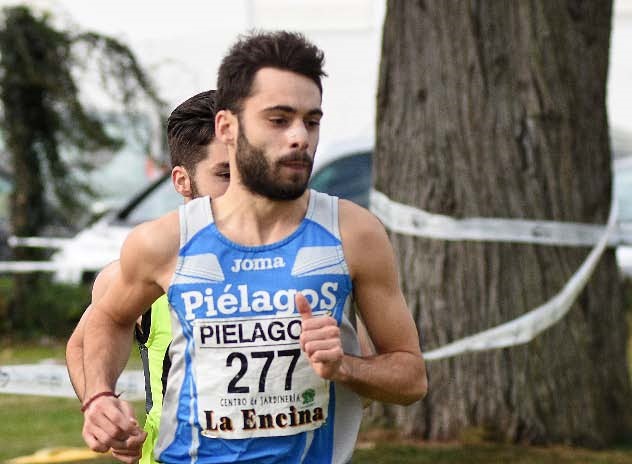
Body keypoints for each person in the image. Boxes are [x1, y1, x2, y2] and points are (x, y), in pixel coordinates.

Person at [79, 31, 427, 464]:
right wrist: (99, 397)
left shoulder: (352, 232)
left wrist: (345, 367)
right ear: (227, 127)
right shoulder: (166, 241)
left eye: (311, 121)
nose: (299, 137)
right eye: (279, 120)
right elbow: (108, 318)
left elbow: (411, 378)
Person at [66, 90, 230, 464]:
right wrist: (101, 406)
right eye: (224, 175)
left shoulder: (293, 261)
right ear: (182, 181)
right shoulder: (144, 268)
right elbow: (80, 346)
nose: (241, 189)